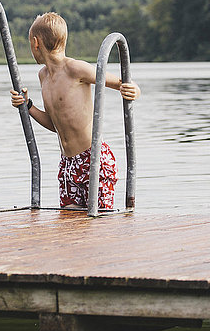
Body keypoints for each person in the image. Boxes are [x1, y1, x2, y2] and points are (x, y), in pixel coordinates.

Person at [10, 13, 140, 209]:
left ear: (35, 43)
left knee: (99, 222)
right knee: (69, 224)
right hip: (68, 164)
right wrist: (28, 106)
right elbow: (57, 125)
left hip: (93, 159)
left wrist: (134, 90)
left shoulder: (75, 69)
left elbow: (120, 82)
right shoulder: (43, 76)